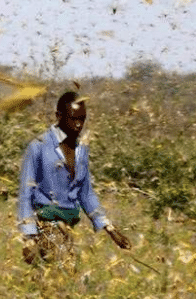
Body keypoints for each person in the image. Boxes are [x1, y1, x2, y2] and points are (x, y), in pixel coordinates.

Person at [18, 91, 130, 266]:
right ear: (59, 116)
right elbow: (26, 192)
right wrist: (28, 237)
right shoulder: (39, 146)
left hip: (68, 225)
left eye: (82, 119)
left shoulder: (81, 150)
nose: (79, 125)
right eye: (73, 119)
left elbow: (86, 193)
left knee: (50, 280)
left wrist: (110, 228)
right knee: (64, 272)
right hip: (45, 223)